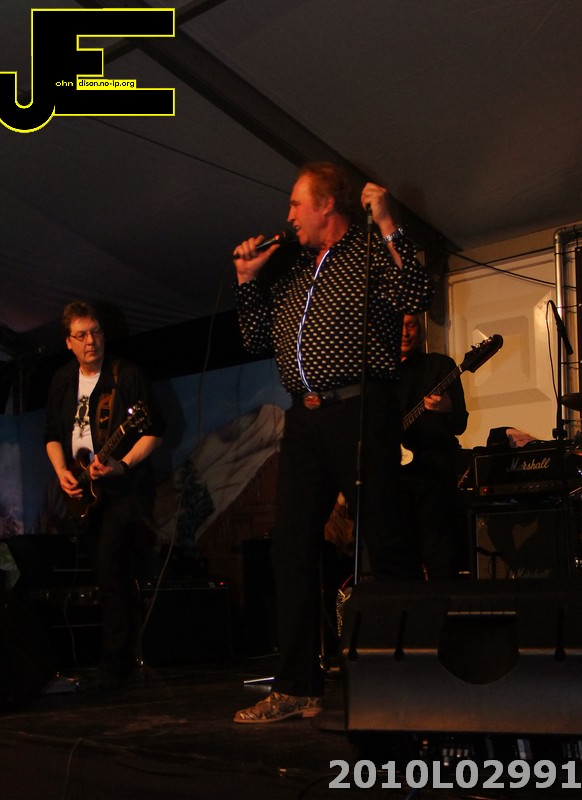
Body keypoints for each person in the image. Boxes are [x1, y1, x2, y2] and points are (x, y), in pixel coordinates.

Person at [232, 161, 433, 723]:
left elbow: (417, 291)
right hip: (305, 419)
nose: (289, 215)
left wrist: (388, 222)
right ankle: (298, 685)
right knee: (290, 543)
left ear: (326, 205)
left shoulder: (368, 252)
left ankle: (410, 676)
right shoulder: (295, 271)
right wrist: (247, 280)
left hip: (360, 410)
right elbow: (254, 337)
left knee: (385, 540)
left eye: (296, 204)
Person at [44, 301, 164, 690]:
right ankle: (115, 659)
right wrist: (62, 472)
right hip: (82, 490)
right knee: (103, 572)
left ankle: (116, 664)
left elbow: (154, 431)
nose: (90, 341)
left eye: (95, 332)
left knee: (113, 569)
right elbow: (51, 434)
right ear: (68, 342)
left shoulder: (125, 376)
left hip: (122, 492)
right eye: (81, 335)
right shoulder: (63, 380)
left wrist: (122, 464)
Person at [397, 314, 469, 579]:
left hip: (434, 477)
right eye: (399, 326)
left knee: (440, 557)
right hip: (395, 479)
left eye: (411, 325)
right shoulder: (380, 375)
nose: (405, 333)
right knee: (401, 559)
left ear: (420, 329)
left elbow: (460, 423)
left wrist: (448, 407)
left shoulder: (439, 365)